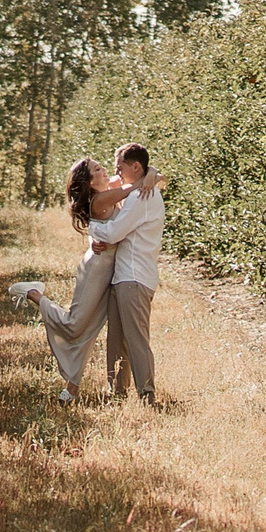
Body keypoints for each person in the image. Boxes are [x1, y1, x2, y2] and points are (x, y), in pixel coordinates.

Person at [6, 152, 161, 402]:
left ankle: (73, 388)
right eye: (98, 170)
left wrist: (151, 173)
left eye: (102, 167)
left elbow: (144, 181)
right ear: (90, 183)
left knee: (92, 327)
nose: (106, 172)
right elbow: (132, 189)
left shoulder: (110, 186)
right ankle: (33, 293)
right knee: (76, 324)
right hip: (97, 268)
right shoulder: (103, 198)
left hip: (113, 270)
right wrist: (148, 177)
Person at [91, 143, 162, 405]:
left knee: (136, 339)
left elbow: (113, 232)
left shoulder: (142, 196)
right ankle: (116, 392)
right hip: (123, 276)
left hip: (135, 276)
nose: (117, 172)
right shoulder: (137, 189)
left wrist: (89, 227)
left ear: (135, 167)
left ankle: (147, 394)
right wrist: (152, 172)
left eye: (121, 167)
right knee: (117, 339)